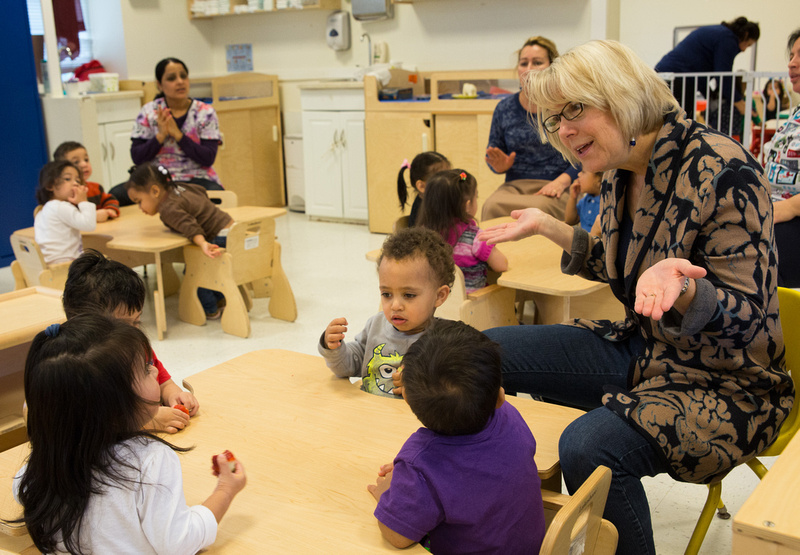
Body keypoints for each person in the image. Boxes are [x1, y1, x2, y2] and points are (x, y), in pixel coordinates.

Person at [478, 40, 793, 555]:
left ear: (621, 93)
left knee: (588, 443)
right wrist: (551, 229)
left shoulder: (723, 167)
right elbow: (621, 267)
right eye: (556, 118)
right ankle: (501, 515)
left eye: (576, 109)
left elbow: (753, 324)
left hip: (729, 384)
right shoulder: (621, 169)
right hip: (647, 352)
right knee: (482, 354)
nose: (565, 129)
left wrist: (687, 289)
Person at [10, 315, 246, 553]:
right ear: (115, 404)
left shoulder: (46, 460)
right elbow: (180, 543)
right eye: (144, 370)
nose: (154, 370)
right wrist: (225, 490)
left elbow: (21, 489)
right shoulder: (151, 461)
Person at [367, 320, 545, 553]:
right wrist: (411, 481)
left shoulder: (421, 463)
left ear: (407, 397)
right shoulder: (507, 416)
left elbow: (397, 537)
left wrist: (388, 494)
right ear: (500, 397)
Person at [63, 248, 199, 433]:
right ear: (84, 326)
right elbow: (89, 422)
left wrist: (175, 395)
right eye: (124, 325)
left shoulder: (138, 346)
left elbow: (163, 381)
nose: (134, 333)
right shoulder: (79, 365)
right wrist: (148, 420)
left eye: (137, 321)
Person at [319, 227, 454, 398]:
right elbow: (348, 366)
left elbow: (450, 398)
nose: (395, 305)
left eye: (409, 295)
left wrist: (420, 385)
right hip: (366, 415)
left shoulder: (445, 342)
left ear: (439, 296)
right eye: (386, 294)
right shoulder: (376, 325)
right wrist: (333, 347)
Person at [481, 36, 579, 220]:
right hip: (515, 186)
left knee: (539, 209)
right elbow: (493, 157)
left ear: (552, 66)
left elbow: (583, 157)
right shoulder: (504, 108)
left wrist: (562, 181)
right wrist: (500, 166)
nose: (529, 69)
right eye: (524, 63)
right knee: (491, 206)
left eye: (537, 62)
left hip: (557, 185)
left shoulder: (563, 105)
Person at [126, 162, 233, 319]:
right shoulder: (179, 188)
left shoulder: (168, 209)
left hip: (219, 235)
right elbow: (201, 191)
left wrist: (203, 243)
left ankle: (211, 310)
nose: (140, 208)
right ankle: (220, 302)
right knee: (211, 270)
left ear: (155, 191)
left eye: (139, 201)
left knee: (194, 272)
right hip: (230, 228)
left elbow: (190, 227)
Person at [114, 57, 223, 206]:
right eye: (172, 78)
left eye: (183, 76)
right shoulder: (148, 111)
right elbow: (137, 157)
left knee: (218, 196)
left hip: (197, 178)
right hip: (156, 180)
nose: (180, 82)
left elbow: (208, 158)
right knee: (114, 196)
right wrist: (160, 136)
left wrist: (178, 135)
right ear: (159, 85)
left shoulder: (205, 112)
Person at [655, 16, 760, 125]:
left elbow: (706, 72)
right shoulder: (727, 38)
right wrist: (738, 102)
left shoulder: (720, 32)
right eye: (748, 45)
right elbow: (723, 75)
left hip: (666, 74)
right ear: (746, 35)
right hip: (677, 77)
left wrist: (710, 94)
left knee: (672, 120)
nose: (743, 50)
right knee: (682, 122)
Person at [418, 168, 508, 293]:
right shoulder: (476, 237)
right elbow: (501, 265)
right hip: (472, 305)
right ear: (467, 205)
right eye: (476, 196)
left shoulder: (421, 236)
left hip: (435, 303)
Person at [766, 28, 800, 288]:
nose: (792, 63)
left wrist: (785, 209)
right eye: (791, 55)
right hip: (772, 209)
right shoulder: (793, 116)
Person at [33, 160, 96, 265]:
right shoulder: (60, 206)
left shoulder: (43, 210)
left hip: (48, 264)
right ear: (50, 185)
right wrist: (83, 201)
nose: (75, 183)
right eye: (67, 179)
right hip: (65, 264)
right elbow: (89, 225)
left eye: (78, 180)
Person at [53, 141, 120, 222]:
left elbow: (110, 200)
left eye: (86, 159)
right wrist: (93, 216)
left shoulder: (96, 188)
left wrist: (109, 210)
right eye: (76, 162)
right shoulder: (64, 194)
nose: (84, 164)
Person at [396, 151, 451, 227]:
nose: (450, 182)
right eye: (443, 179)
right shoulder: (425, 211)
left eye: (450, 176)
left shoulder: (438, 201)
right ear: (422, 186)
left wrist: (463, 179)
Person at [564, 169, 602, 235]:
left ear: (599, 179)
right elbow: (570, 220)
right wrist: (573, 198)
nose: (578, 174)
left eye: (583, 172)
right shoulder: (586, 199)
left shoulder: (605, 202)